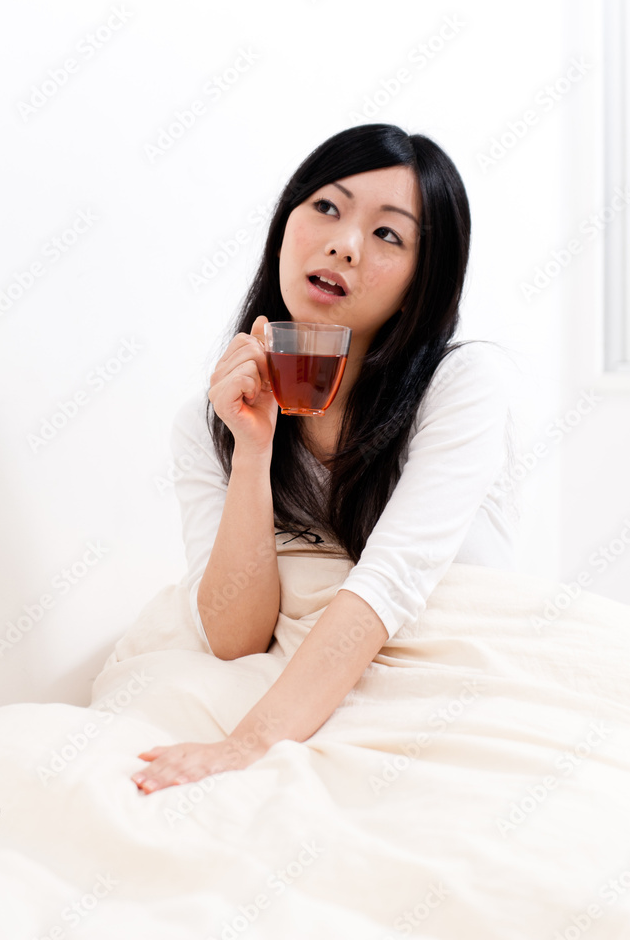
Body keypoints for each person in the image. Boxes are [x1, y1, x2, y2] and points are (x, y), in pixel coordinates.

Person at [131, 122, 520, 795]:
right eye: (327, 208)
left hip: (439, 660)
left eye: (387, 234)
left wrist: (246, 746)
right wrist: (252, 455)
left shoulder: (462, 384)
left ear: (421, 280)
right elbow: (235, 639)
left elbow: (391, 580)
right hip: (285, 671)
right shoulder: (209, 420)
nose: (344, 242)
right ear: (287, 222)